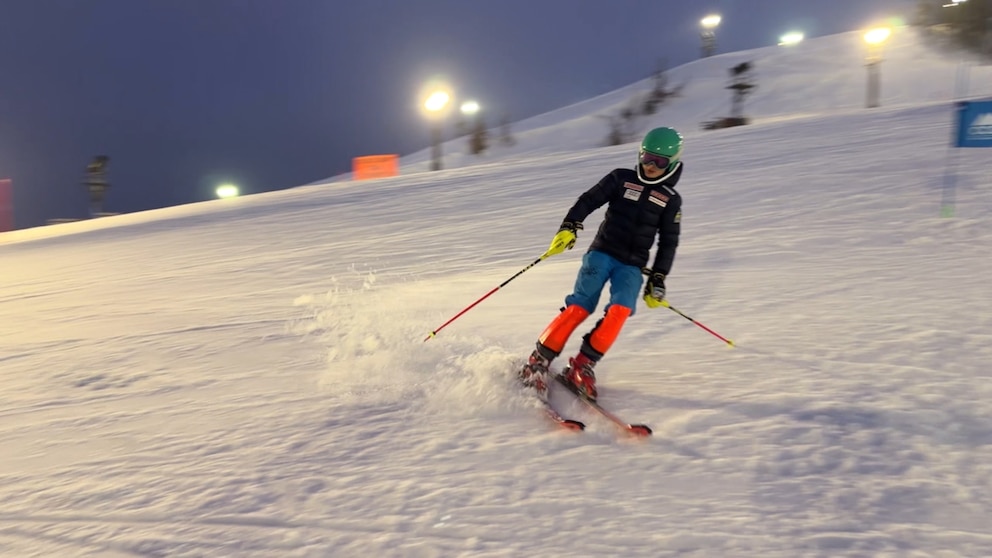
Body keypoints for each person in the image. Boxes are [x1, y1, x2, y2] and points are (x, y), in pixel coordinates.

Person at [519, 127, 684, 401]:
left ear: (673, 163)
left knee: (621, 310)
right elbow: (589, 200)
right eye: (647, 157)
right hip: (602, 253)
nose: (651, 166)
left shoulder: (670, 200)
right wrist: (569, 226)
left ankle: (582, 365)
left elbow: (669, 242)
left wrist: (658, 277)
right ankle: (538, 361)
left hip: (632, 266)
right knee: (580, 306)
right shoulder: (621, 178)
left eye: (660, 162)